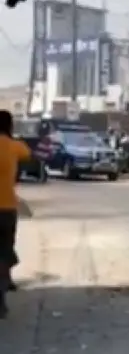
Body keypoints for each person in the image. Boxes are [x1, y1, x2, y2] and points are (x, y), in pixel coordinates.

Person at [0, 110, 32, 318]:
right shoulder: (13, 146)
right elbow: (28, 154)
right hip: (6, 209)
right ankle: (1, 299)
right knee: (4, 252)